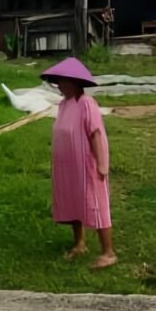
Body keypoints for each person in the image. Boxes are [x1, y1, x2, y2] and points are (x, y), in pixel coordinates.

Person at [41, 58, 117, 269]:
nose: (60, 86)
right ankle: (79, 243)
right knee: (73, 201)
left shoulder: (86, 103)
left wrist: (102, 164)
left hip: (86, 164)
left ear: (74, 82)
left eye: (63, 82)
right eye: (58, 82)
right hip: (68, 166)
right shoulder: (64, 105)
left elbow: (95, 133)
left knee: (96, 203)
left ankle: (108, 252)